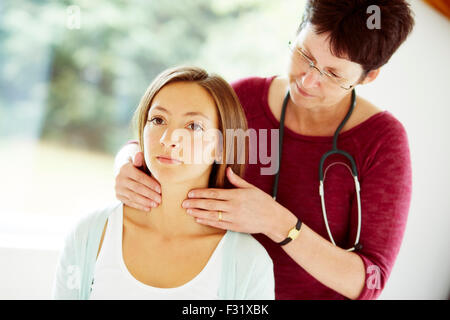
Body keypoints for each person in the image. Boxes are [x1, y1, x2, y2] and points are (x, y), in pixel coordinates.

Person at [114, 0, 414, 300]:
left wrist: (278, 223)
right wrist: (127, 160)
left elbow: (371, 282)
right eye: (304, 55)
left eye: (333, 74)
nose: (309, 81)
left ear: (368, 76)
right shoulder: (245, 100)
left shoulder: (381, 142)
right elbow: (173, 138)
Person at [52, 66, 275, 300]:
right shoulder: (89, 235)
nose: (168, 139)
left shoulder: (248, 262)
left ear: (221, 147)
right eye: (158, 120)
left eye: (193, 126)